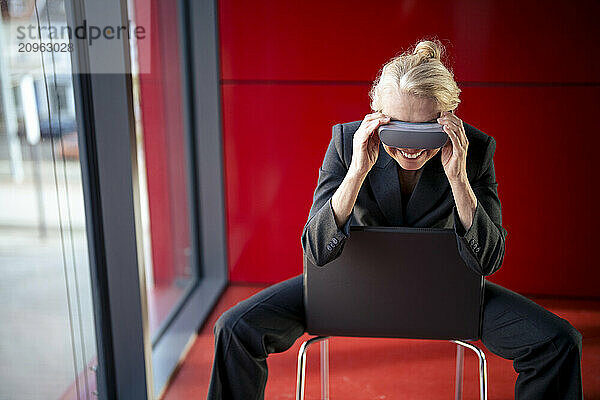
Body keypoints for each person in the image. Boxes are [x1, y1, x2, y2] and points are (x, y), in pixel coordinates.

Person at [207, 39, 583, 400]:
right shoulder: (347, 141)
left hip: (444, 298)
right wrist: (355, 173)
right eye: (397, 129)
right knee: (235, 328)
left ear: (448, 117)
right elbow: (317, 250)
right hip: (348, 294)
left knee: (557, 341)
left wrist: (459, 179)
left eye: (423, 132)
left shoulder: (475, 149)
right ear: (376, 114)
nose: (409, 147)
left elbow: (488, 260)